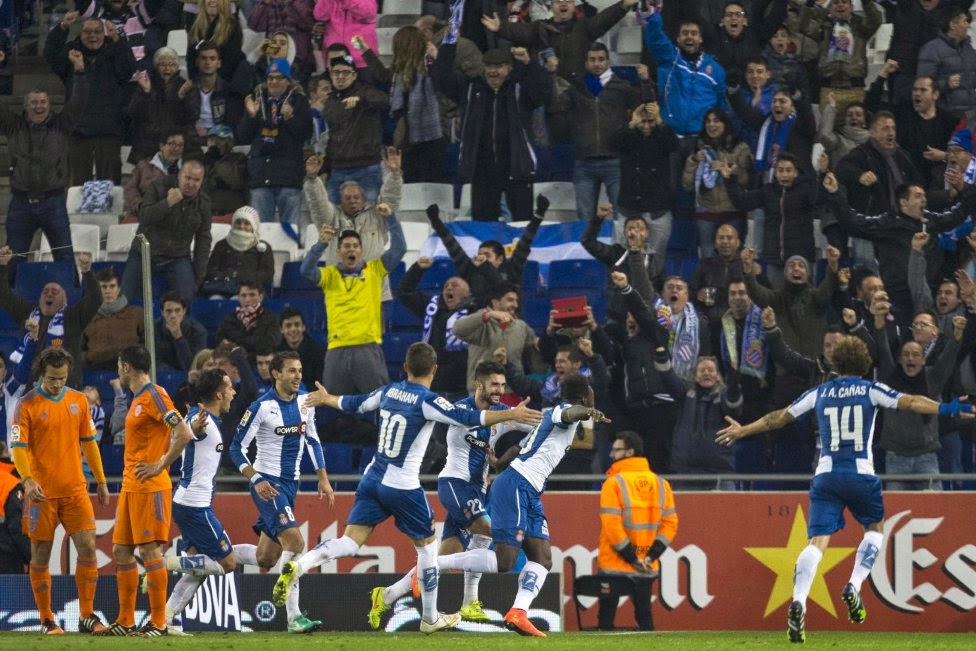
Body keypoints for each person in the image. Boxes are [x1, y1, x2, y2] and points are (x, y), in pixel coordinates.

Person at [715, 335, 974, 643]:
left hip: (826, 475)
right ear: (864, 364)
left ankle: (798, 601)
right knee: (875, 529)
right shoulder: (870, 389)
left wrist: (743, 430)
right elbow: (911, 402)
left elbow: (779, 417)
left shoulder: (819, 392)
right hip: (861, 474)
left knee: (816, 542)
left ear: (836, 364)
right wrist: (946, 408)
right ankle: (854, 584)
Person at [272, 343, 543, 634]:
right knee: (429, 550)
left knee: (350, 542)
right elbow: (465, 417)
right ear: (434, 370)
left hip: (372, 478)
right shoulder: (427, 400)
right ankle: (430, 617)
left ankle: (301, 566)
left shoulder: (389, 391)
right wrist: (512, 414)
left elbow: (356, 403)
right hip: (404, 485)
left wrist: (327, 398)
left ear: (405, 367)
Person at [429, 373, 610, 637]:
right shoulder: (560, 412)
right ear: (584, 397)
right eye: (590, 395)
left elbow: (518, 448)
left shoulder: (549, 423)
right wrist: (588, 412)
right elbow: (569, 413)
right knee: (505, 559)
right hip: (517, 484)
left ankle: (518, 612)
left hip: (530, 489)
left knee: (543, 558)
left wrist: (497, 462)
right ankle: (434, 565)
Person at [368, 360, 536, 627]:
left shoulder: (502, 414)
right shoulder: (459, 411)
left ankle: (387, 595)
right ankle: (467, 599)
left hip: (477, 490)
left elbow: (538, 423)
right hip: (455, 485)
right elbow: (467, 422)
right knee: (490, 531)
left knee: (445, 556)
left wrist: (565, 417)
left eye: (503, 385)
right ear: (479, 384)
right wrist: (510, 417)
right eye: (494, 384)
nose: (499, 390)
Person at [229, 351, 333, 634]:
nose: (298, 376)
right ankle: (294, 617)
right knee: (296, 543)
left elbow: (313, 440)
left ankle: (220, 552)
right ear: (276, 374)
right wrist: (256, 479)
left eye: (299, 370)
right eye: (291, 371)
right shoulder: (261, 407)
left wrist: (323, 479)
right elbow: (236, 448)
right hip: (268, 485)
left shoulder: (305, 403)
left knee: (267, 557)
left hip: (291, 485)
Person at [10, 347, 109, 634]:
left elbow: (89, 443)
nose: (57, 384)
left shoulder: (78, 401)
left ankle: (87, 615)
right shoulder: (26, 404)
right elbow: (18, 447)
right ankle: (46, 619)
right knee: (40, 555)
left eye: (62, 378)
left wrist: (101, 480)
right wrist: (28, 480)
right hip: (41, 493)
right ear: (43, 374)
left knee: (88, 547)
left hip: (75, 490)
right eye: (52, 378)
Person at [97, 345, 194, 637]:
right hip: (131, 485)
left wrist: (161, 464)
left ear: (126, 367)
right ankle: (126, 620)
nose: (118, 370)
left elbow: (183, 432)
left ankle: (158, 622)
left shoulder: (155, 395)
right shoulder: (139, 398)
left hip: (150, 486)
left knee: (150, 550)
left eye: (119, 365)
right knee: (121, 551)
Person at [162, 368, 262, 635]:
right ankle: (164, 564)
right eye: (229, 388)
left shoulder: (205, 418)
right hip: (195, 506)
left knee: (199, 568)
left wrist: (193, 427)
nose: (233, 392)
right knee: (227, 563)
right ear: (219, 394)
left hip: (189, 503)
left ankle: (165, 618)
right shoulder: (201, 420)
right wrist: (193, 428)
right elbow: (191, 432)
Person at [431, 43, 552, 221]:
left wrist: (530, 63)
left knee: (522, 224)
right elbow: (442, 80)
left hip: (517, 167)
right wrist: (447, 47)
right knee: (483, 226)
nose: (493, 71)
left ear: (509, 68)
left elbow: (544, 91)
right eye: (489, 66)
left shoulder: (520, 89)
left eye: (498, 67)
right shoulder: (471, 89)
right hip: (482, 170)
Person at [0, 49, 87, 283]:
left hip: (53, 203)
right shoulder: (13, 126)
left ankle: (74, 298)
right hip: (20, 204)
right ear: (25, 105)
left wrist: (79, 71)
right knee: (13, 258)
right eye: (34, 103)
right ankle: (6, 300)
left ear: (49, 104)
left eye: (43, 102)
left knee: (64, 256)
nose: (39, 107)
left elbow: (78, 103)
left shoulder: (61, 125)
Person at [301, 205, 405, 395]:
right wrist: (321, 244)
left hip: (367, 346)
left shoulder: (375, 270)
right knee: (333, 403)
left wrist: (391, 218)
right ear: (339, 251)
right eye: (347, 246)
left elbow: (399, 249)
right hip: (337, 348)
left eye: (355, 246)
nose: (351, 249)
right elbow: (306, 270)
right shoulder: (330, 275)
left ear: (361, 250)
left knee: (378, 401)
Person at [596, 430, 677, 631]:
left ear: (629, 452)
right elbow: (670, 524)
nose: (611, 454)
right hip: (646, 563)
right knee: (644, 617)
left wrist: (631, 557)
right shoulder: (661, 484)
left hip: (614, 562)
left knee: (605, 621)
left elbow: (612, 525)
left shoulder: (613, 483)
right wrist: (650, 556)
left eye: (616, 450)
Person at [45, 12, 136, 184]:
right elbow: (50, 55)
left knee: (110, 184)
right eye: (87, 32)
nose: (92, 36)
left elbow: (129, 69)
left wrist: (117, 39)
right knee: (78, 184)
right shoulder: (71, 51)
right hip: (78, 129)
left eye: (97, 31)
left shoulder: (115, 49)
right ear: (80, 33)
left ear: (104, 33)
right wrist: (63, 27)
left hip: (109, 129)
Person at [303, 148, 403, 300]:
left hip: (375, 295)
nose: (352, 200)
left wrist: (395, 174)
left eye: (356, 197)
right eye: (347, 198)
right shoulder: (331, 219)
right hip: (341, 295)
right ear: (340, 201)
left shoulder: (377, 215)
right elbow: (318, 205)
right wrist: (312, 180)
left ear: (364, 199)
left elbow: (390, 199)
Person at [0, 247, 100, 388]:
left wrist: (87, 272)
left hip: (65, 388)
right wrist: (2, 265)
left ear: (65, 300)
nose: (49, 294)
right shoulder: (27, 312)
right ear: (39, 298)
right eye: (45, 291)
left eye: (55, 292)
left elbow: (96, 299)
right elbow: (3, 294)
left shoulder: (74, 316)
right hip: (30, 388)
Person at [120, 159, 213, 305]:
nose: (191, 183)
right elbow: (144, 217)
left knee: (188, 297)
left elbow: (204, 239)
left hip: (177, 256)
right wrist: (167, 203)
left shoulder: (204, 202)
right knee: (125, 298)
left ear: (202, 181)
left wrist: (198, 277)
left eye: (196, 180)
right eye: (188, 178)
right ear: (179, 176)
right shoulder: (158, 186)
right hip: (144, 252)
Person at [239, 59, 312, 226]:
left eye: (279, 77)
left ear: (288, 80)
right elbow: (242, 136)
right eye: (270, 78)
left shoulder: (299, 101)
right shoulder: (257, 100)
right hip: (261, 176)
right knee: (261, 231)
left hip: (289, 177)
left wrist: (290, 118)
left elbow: (306, 134)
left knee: (289, 231)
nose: (274, 81)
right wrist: (251, 116)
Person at [482, 0, 637, 79]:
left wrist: (623, 6)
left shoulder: (584, 27)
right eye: (558, 1)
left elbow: (605, 19)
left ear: (574, 5)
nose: (563, 3)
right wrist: (500, 28)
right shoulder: (540, 27)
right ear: (552, 6)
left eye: (568, 1)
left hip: (577, 90)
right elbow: (519, 31)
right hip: (549, 89)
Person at [610, 102, 680, 266]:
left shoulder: (662, 136)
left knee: (656, 261)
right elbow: (612, 144)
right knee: (621, 260)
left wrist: (660, 121)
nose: (647, 126)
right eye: (643, 121)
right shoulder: (629, 136)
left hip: (658, 211)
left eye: (651, 121)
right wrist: (632, 123)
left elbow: (673, 145)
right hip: (628, 209)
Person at [394, 256, 473, 399]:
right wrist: (417, 269)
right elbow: (404, 293)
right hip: (433, 384)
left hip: (463, 386)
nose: (449, 287)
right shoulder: (431, 307)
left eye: (454, 285)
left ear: (467, 293)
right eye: (446, 286)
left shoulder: (474, 311)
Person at [681, 108, 753, 256]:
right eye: (708, 121)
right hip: (705, 212)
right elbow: (687, 184)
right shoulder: (698, 147)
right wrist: (693, 160)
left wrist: (730, 171)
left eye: (716, 121)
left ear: (725, 124)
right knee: (708, 258)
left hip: (732, 211)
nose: (711, 125)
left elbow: (747, 181)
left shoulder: (740, 147)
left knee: (733, 257)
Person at [320, 54, 390, 204]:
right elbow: (332, 138)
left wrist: (361, 100)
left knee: (373, 213)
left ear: (354, 75)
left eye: (345, 72)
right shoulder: (331, 101)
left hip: (366, 168)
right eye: (336, 72)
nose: (340, 77)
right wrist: (325, 169)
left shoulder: (366, 91)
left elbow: (384, 101)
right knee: (332, 215)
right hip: (337, 169)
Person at [794, 0, 882, 108]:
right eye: (836, 3)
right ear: (830, 8)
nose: (840, 5)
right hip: (828, 88)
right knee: (827, 119)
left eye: (844, 2)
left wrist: (866, 3)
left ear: (851, 7)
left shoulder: (860, 26)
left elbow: (876, 20)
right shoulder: (823, 27)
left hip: (854, 88)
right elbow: (803, 26)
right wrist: (809, 4)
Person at [453, 282, 537, 393]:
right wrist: (488, 315)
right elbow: (457, 329)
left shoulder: (521, 326)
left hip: (511, 392)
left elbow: (536, 345)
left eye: (516, 301)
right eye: (510, 300)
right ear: (495, 302)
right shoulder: (480, 322)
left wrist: (548, 333)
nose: (515, 305)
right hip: (482, 391)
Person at [126, 48, 195, 165]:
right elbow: (133, 113)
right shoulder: (146, 83)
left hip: (174, 146)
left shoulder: (185, 86)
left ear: (177, 66)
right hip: (147, 146)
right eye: (163, 65)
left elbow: (191, 116)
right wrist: (146, 93)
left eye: (171, 65)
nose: (167, 69)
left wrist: (181, 98)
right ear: (156, 66)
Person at [202, 205, 275, 297]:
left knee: (240, 299)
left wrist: (243, 278)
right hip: (222, 289)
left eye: (247, 223)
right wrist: (230, 275)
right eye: (238, 222)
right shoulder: (221, 245)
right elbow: (210, 271)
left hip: (250, 291)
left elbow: (267, 275)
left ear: (254, 226)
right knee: (215, 299)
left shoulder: (263, 248)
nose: (241, 226)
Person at [918, 5, 976, 117]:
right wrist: (946, 84)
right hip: (946, 116)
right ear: (953, 25)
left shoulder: (968, 49)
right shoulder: (931, 50)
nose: (968, 25)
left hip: (970, 116)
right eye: (964, 21)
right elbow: (922, 87)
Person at [83, 267, 145, 371]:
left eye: (112, 286)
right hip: (96, 368)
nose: (108, 291)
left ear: (119, 289)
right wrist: (90, 356)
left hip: (132, 367)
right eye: (103, 287)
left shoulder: (137, 313)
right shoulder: (86, 317)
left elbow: (148, 344)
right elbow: (78, 351)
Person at [124, 129, 186, 220]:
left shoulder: (187, 168)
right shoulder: (144, 166)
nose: (177, 148)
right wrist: (140, 206)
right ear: (161, 146)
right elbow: (130, 190)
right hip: (146, 214)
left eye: (180, 145)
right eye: (172, 144)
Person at [215, 281, 282, 356]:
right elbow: (220, 341)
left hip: (262, 360)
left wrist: (237, 343)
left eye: (252, 295)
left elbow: (271, 343)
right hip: (236, 361)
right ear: (238, 298)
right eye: (243, 295)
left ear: (261, 297)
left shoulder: (272, 318)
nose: (247, 300)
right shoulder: (229, 319)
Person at [155, 291, 208, 372]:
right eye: (169, 311)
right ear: (162, 313)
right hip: (162, 374)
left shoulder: (198, 331)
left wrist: (178, 337)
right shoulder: (154, 329)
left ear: (184, 311)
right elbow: (155, 361)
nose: (173, 315)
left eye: (177, 310)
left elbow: (193, 366)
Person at [277, 307, 326, 393]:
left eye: (297, 325)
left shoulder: (318, 353)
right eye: (288, 326)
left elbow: (319, 385)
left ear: (303, 327)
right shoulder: (276, 354)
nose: (293, 329)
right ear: (281, 329)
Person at [0, 440, 31, 574]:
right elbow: (17, 527)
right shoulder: (9, 483)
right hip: (7, 560)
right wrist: (30, 557)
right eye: (7, 451)